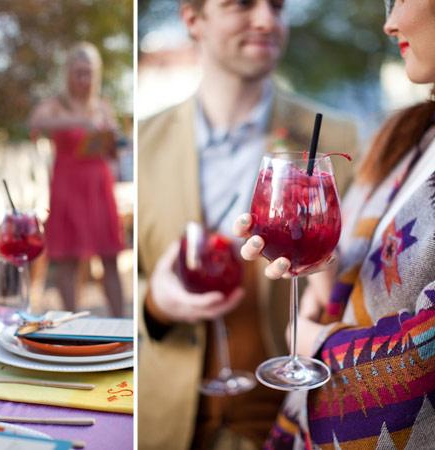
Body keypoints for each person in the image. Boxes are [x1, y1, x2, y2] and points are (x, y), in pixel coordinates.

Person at [138, 0, 359, 449]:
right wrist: (155, 302)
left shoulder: (339, 140)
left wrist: (331, 285)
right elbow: (134, 277)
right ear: (192, 18)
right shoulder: (144, 143)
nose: (265, 19)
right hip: (166, 423)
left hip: (292, 420)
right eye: (242, 4)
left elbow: (364, 281)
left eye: (277, 6)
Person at [233, 0, 435, 447]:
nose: (389, 23)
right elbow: (369, 267)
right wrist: (324, 277)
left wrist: (314, 343)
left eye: (404, 0)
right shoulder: (407, 135)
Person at [30, 42, 125, 317]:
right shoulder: (56, 105)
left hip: (98, 185)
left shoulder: (102, 107)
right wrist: (78, 122)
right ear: (68, 73)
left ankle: (120, 324)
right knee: (67, 259)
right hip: (67, 186)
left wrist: (112, 139)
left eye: (89, 73)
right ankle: (73, 323)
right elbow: (35, 123)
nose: (83, 79)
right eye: (78, 72)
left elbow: (114, 152)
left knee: (110, 257)